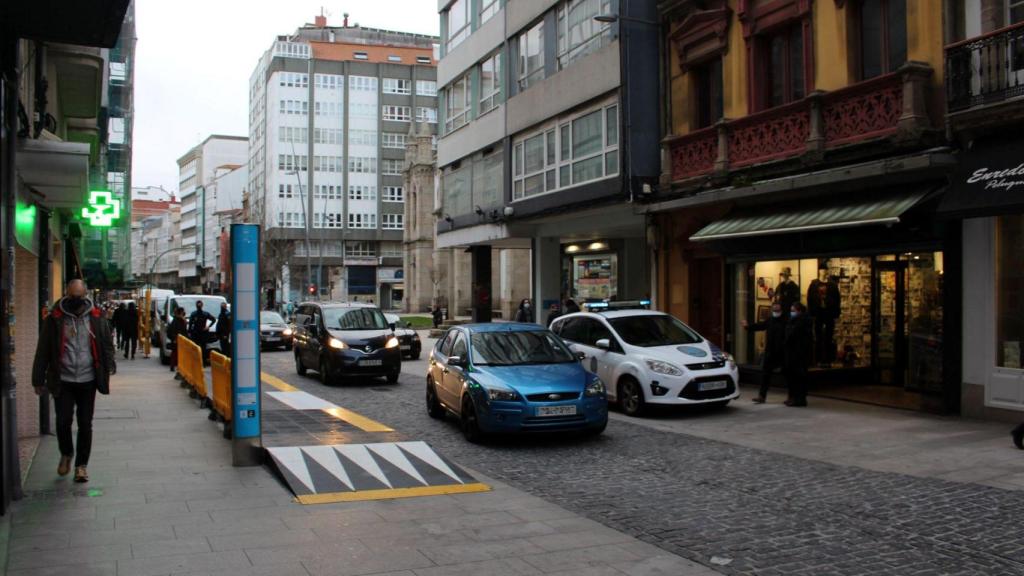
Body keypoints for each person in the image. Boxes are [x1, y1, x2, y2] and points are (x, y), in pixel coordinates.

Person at [32, 279, 116, 483]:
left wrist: (109, 366)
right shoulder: (55, 318)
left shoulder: (96, 316)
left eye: (80, 296)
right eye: (72, 296)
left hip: (88, 378)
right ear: (66, 294)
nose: (76, 300)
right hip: (63, 379)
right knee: (62, 422)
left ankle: (81, 466)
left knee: (85, 424)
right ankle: (67, 453)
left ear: (85, 294)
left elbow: (105, 342)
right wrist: (38, 378)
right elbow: (43, 349)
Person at [742, 302, 788, 404]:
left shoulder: (786, 320)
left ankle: (791, 396)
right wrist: (747, 327)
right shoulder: (770, 320)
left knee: (787, 375)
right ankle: (761, 396)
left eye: (777, 307)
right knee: (765, 374)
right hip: (770, 351)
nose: (775, 309)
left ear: (781, 309)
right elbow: (760, 326)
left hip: (782, 352)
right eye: (774, 308)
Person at [783, 302, 814, 407]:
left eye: (793, 310)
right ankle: (793, 397)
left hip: (798, 354)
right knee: (793, 377)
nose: (791, 313)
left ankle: (799, 399)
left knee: (798, 377)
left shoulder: (801, 322)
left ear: (799, 311)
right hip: (794, 353)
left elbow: (795, 336)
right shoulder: (795, 321)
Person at [168, 307, 187, 375]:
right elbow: (175, 331)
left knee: (175, 353)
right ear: (181, 313)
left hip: (178, 340)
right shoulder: (177, 321)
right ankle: (176, 367)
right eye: (183, 312)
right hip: (177, 340)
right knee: (176, 354)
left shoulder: (177, 320)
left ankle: (174, 366)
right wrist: (174, 339)